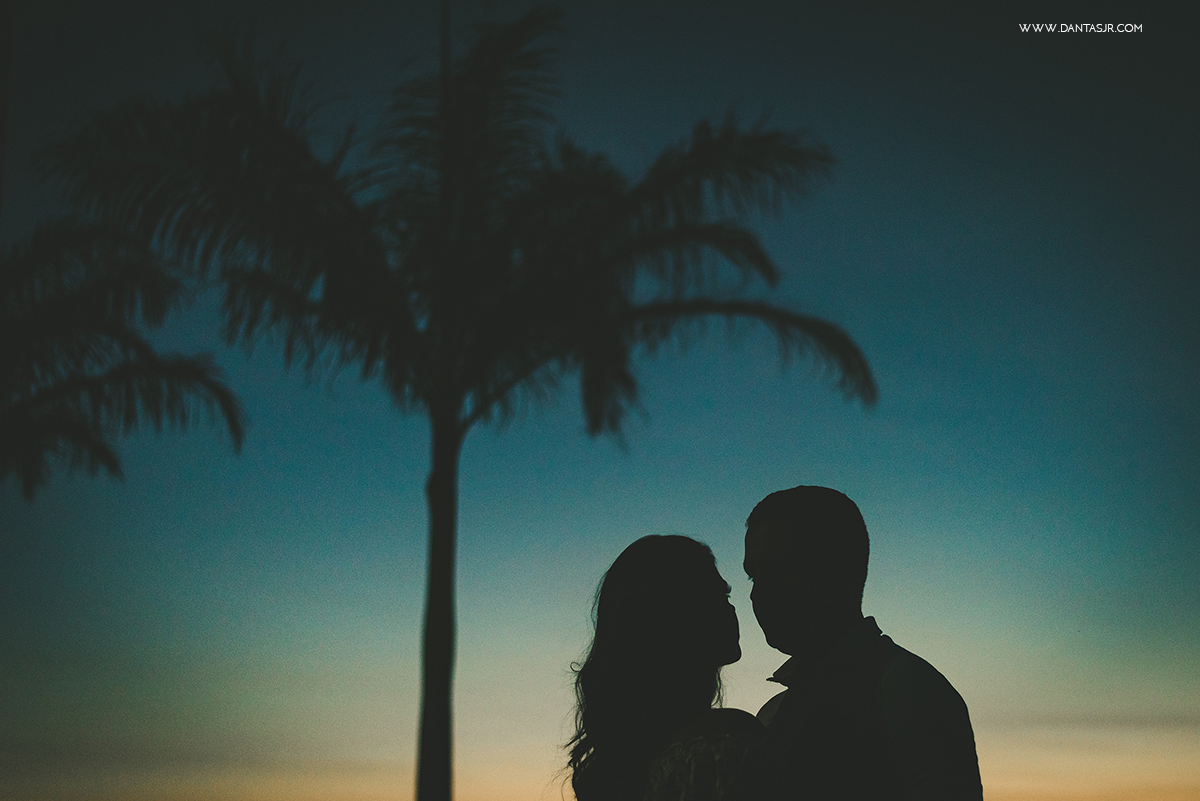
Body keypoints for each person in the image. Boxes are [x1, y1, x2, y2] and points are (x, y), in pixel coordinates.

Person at [741, 485, 983, 801]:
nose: (758, 593)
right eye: (754, 575)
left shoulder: (907, 692)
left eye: (782, 569)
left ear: (841, 568)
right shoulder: (774, 713)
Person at [568, 535, 762, 801]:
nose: (732, 608)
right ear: (677, 614)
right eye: (719, 595)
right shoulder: (720, 743)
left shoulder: (629, 760)